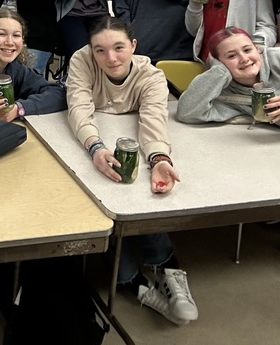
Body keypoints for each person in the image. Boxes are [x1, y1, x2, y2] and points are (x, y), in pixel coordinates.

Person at [65, 17, 197, 326]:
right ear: (91, 50)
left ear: (133, 46)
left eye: (119, 48)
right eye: (100, 50)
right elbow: (79, 106)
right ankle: (134, 283)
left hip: (132, 144)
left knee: (145, 195)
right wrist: (95, 148)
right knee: (96, 205)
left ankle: (168, 269)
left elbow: (153, 118)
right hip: (90, 145)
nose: (110, 58)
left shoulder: (151, 76)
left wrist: (159, 158)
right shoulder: (81, 61)